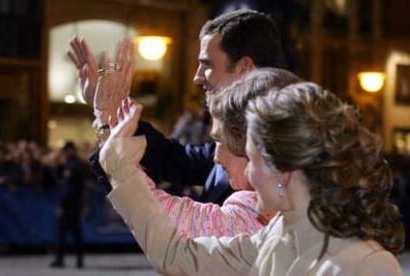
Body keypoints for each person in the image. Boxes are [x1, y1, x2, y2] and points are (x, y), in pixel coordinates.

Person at [99, 69, 404, 275]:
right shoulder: (278, 234)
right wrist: (122, 170)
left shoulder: (366, 265)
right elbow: (179, 254)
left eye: (254, 160)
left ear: (283, 171)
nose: (251, 176)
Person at [68, 9, 286, 205]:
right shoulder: (238, 141)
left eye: (207, 65)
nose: (197, 77)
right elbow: (172, 159)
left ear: (245, 67)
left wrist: (107, 114)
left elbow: (170, 233)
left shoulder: (282, 153)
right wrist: (113, 109)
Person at [112, 68, 300, 238]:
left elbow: (171, 242)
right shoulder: (303, 209)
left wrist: (118, 156)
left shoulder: (248, 212)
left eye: (220, 140)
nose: (197, 76)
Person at [51, 141, 88, 269]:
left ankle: (62, 259)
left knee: (64, 232)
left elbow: (68, 187)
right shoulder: (71, 163)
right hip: (74, 202)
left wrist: (61, 204)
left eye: (67, 150)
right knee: (75, 232)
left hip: (70, 203)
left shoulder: (74, 164)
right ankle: (77, 260)